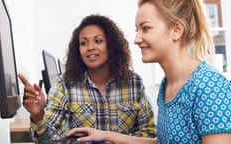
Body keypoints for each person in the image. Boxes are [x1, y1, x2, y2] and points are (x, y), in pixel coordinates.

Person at [66, 0, 231, 144]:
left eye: (145, 28)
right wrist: (107, 136)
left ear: (176, 30)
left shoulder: (209, 87)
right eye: (137, 29)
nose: (137, 39)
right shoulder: (169, 84)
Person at [18, 14, 156, 143]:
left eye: (98, 41)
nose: (90, 48)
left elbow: (149, 132)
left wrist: (115, 140)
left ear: (111, 45)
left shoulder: (133, 83)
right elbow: (48, 137)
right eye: (83, 43)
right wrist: (38, 115)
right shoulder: (65, 84)